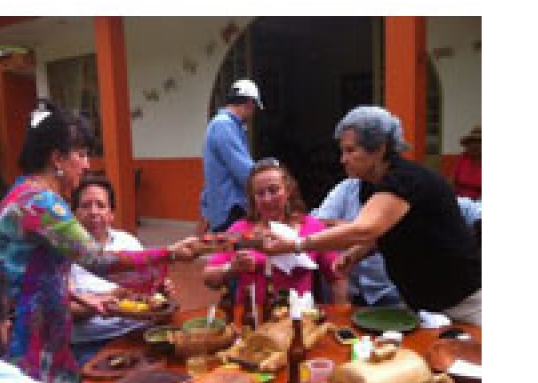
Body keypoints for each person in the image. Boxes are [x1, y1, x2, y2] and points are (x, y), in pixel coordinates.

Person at [0, 103, 213, 383]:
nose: (87, 165)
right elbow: (97, 259)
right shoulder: (42, 203)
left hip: (28, 323)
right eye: (80, 154)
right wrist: (171, 253)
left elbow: (30, 270)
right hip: (30, 336)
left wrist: (80, 297)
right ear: (57, 158)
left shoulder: (22, 192)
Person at [257, 106, 482, 325]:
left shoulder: (405, 180)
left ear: (379, 149)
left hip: (462, 301)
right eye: (343, 151)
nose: (343, 159)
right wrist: (356, 254)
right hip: (423, 303)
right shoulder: (369, 185)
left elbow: (365, 229)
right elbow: (385, 230)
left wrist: (296, 244)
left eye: (350, 150)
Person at [203, 159, 348, 312]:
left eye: (273, 190)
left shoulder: (311, 226)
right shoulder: (240, 229)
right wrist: (231, 268)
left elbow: (337, 276)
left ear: (288, 190)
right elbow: (209, 278)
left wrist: (339, 314)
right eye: (260, 193)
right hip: (251, 318)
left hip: (298, 317)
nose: (267, 199)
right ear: (253, 198)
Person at [314, 179, 482, 308]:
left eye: (351, 151)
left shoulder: (412, 187)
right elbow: (319, 222)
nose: (344, 159)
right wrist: (364, 230)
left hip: (394, 291)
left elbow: (473, 211)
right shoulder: (348, 188)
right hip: (352, 289)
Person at [67, 174, 170, 363]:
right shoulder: (65, 253)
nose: (93, 212)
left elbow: (149, 293)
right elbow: (65, 309)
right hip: (93, 342)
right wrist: (110, 299)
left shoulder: (128, 242)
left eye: (101, 205)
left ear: (111, 214)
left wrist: (160, 292)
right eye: (86, 205)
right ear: (74, 214)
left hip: (137, 333)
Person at [199, 79, 263, 233]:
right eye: (254, 107)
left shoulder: (226, 125)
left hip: (223, 208)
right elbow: (243, 170)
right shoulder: (224, 125)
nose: (253, 114)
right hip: (230, 209)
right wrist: (266, 182)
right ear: (249, 103)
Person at [451, 124, 482, 200]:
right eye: (472, 142)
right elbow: (452, 182)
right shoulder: (461, 159)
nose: (475, 145)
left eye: (479, 142)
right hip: (459, 200)